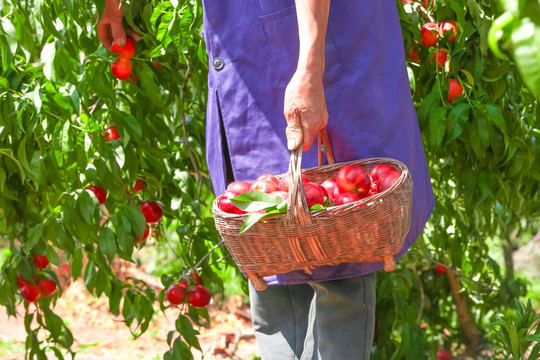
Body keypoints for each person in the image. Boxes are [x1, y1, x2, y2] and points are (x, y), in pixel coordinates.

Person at [98, 0, 435, 359]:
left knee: (335, 255)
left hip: (308, 37)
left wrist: (309, 68)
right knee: (269, 248)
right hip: (255, 52)